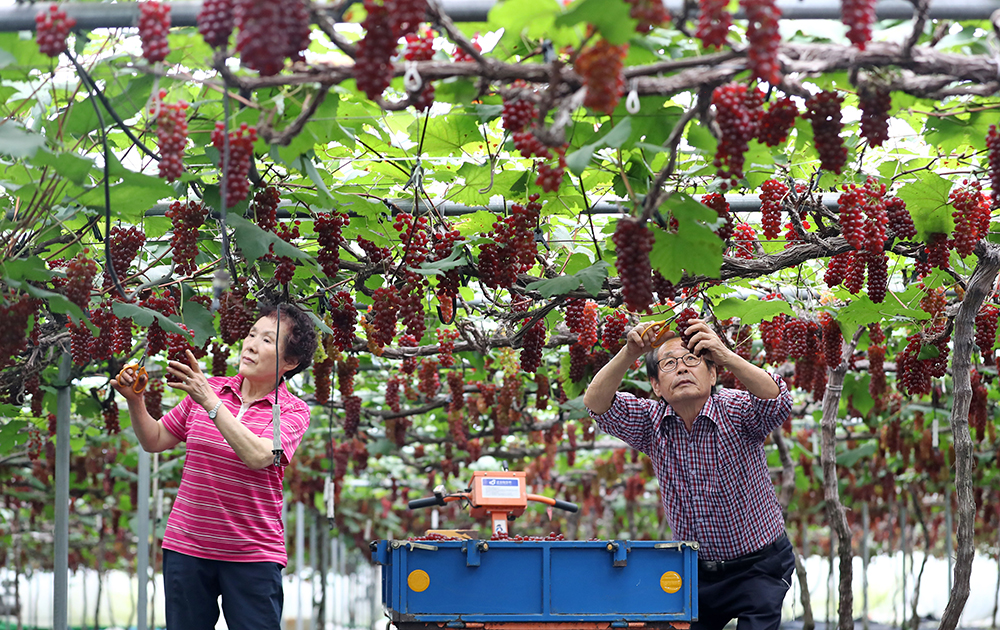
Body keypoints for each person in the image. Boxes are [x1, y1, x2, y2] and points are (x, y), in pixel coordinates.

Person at [111, 302, 318, 630]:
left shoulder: (292, 412)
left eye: (267, 340)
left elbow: (259, 456)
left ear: (290, 362)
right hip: (187, 548)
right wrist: (134, 401)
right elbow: (155, 439)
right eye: (251, 334)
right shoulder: (209, 389)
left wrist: (210, 401)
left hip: (254, 555)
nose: (250, 344)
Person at [583, 317, 794, 630]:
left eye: (692, 360)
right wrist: (629, 353)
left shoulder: (735, 410)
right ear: (655, 385)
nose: (681, 368)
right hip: (694, 572)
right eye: (668, 363)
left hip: (758, 565)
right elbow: (597, 405)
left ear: (711, 374)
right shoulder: (649, 423)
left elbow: (777, 401)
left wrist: (724, 353)